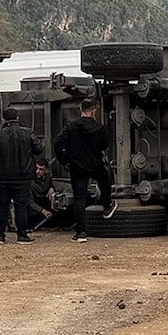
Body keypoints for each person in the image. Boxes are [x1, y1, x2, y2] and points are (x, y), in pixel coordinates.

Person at [54, 98, 117, 243]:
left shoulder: (71, 127)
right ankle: (107, 205)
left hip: (77, 166)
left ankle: (81, 232)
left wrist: (65, 161)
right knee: (105, 183)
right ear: (94, 111)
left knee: (79, 199)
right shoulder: (100, 128)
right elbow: (104, 146)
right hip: (96, 164)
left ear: (81, 110)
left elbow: (57, 142)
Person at [0, 107, 43, 245]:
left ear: (3, 119)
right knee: (21, 207)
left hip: (2, 178)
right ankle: (22, 235)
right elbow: (39, 149)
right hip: (23, 177)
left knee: (2, 206)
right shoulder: (28, 133)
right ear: (17, 118)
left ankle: (0, 236)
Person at [28, 160, 63, 231]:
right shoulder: (30, 180)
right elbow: (29, 202)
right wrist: (43, 211)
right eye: (36, 168)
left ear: (46, 170)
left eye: (41, 169)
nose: (37, 171)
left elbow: (51, 185)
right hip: (34, 206)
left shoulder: (47, 177)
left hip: (44, 202)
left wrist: (52, 188)